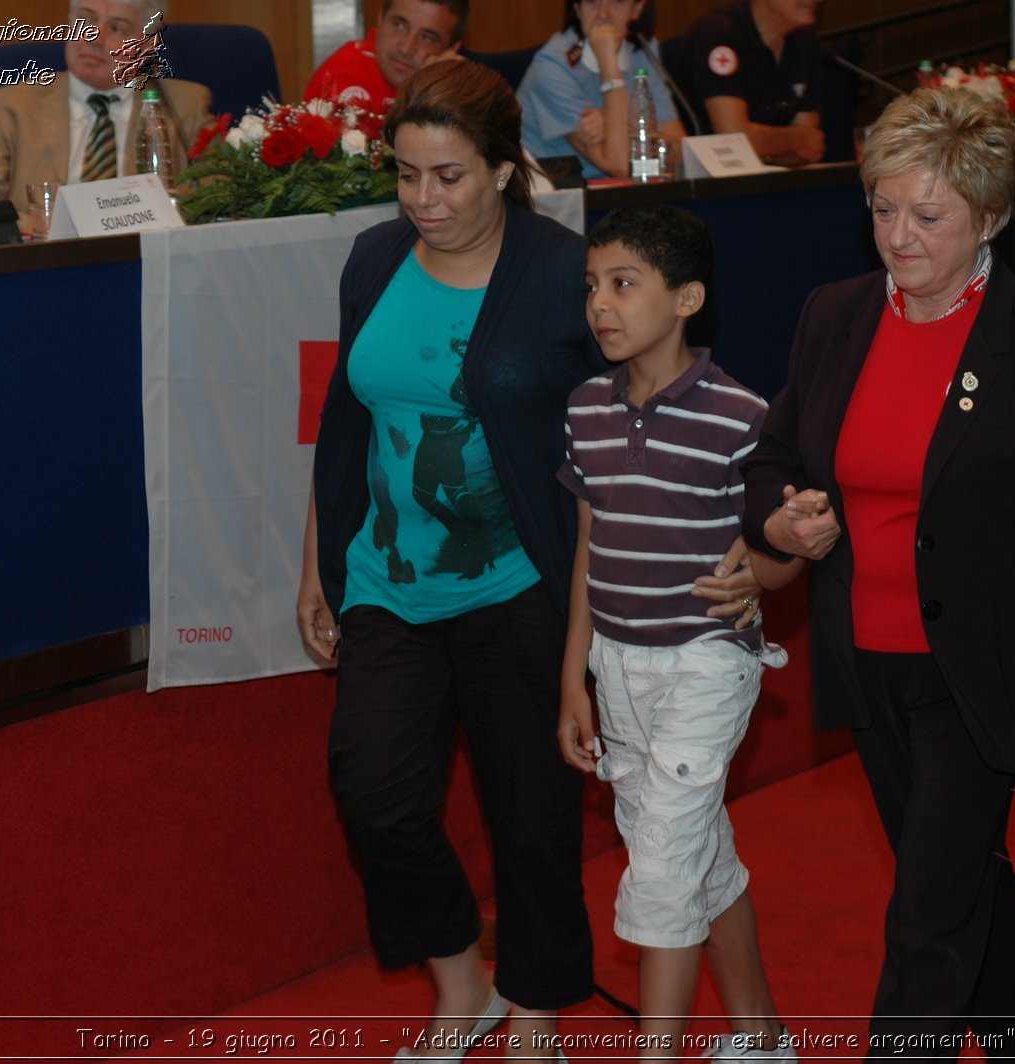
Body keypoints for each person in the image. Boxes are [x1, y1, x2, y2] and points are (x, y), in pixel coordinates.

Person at [297, 60, 763, 1056]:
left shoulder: (563, 270)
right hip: (388, 577)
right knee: (374, 792)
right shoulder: (374, 261)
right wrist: (315, 564)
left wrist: (735, 531)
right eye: (407, 175)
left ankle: (539, 1006)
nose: (424, 200)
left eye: (449, 176)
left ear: (505, 170)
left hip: (527, 582)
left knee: (531, 818)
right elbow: (345, 422)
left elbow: (659, 394)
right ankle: (462, 981)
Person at [741, 86, 1015, 1059]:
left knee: (923, 919)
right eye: (881, 207)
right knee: (966, 891)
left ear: (989, 216)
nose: (897, 235)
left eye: (928, 215)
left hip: (982, 675)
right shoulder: (832, 316)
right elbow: (772, 456)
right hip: (868, 664)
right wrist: (784, 515)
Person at [557, 205, 793, 1060]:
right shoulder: (586, 408)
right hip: (617, 664)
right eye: (592, 286)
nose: (600, 305)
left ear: (687, 297)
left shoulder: (741, 415)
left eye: (624, 284)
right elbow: (589, 550)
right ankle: (762, 1037)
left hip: (705, 661)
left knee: (658, 868)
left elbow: (780, 555)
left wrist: (759, 571)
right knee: (695, 850)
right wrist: (572, 681)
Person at [0, 0, 213, 213]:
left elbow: (223, 188)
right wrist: (33, 225)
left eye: (117, 28)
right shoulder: (14, 105)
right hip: (43, 264)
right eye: (85, 21)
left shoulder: (184, 106)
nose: (94, 37)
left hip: (145, 261)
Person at [517, 0, 685, 180]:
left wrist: (609, 119)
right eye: (592, 2)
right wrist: (609, 64)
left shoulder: (641, 50)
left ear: (637, 9)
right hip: (556, 196)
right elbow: (620, 166)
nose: (603, 14)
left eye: (617, 2)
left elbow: (678, 150)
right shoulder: (551, 68)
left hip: (616, 193)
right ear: (577, 9)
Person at [672, 0, 826, 166]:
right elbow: (732, 139)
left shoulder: (805, 41)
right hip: (708, 183)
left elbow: (811, 147)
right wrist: (793, 138)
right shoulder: (719, 33)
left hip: (772, 178)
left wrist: (763, 146)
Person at [304, 0, 467, 115]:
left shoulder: (457, 89)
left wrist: (435, 92)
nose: (406, 48)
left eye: (427, 38)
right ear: (381, 18)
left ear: (452, 49)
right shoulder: (346, 73)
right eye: (399, 25)